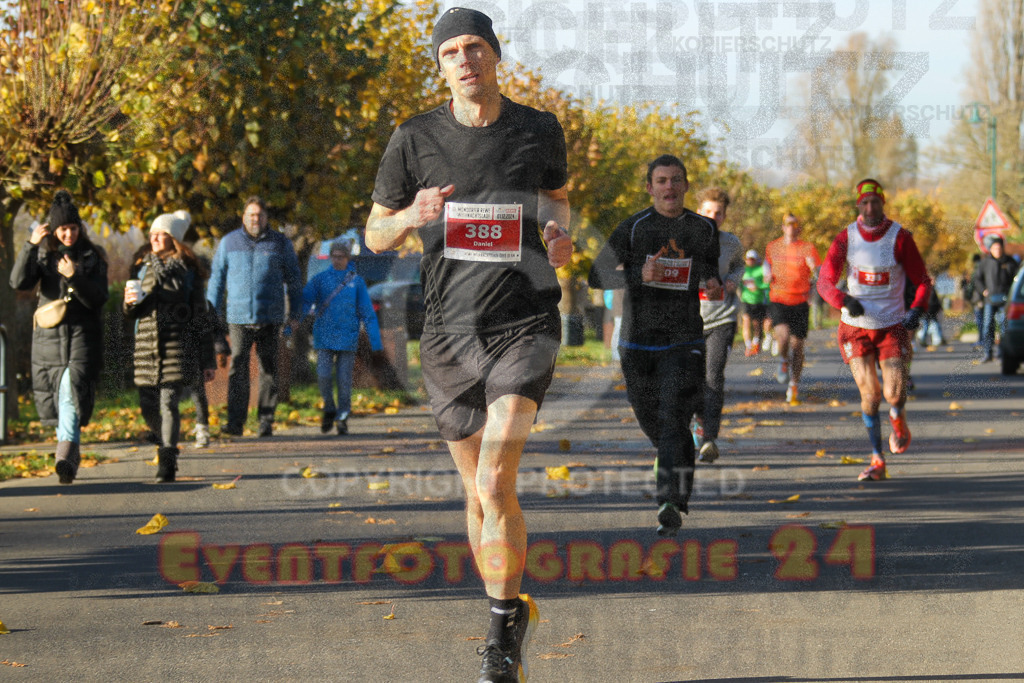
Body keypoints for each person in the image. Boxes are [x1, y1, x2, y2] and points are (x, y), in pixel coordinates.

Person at [364, 8, 573, 682]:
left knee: (494, 478)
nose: (464, 59)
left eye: (474, 46)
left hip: (524, 325)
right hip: (449, 334)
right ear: (440, 65)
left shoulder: (538, 128)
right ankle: (510, 611)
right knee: (477, 494)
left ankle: (498, 637)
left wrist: (558, 235)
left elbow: (556, 196)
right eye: (450, 51)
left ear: (495, 54)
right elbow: (374, 233)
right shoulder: (414, 137)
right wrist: (410, 215)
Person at [589, 154, 720, 535]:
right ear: (650, 188)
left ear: (686, 185)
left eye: (676, 180)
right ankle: (671, 462)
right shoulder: (633, 229)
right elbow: (595, 275)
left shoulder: (704, 229)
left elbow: (709, 270)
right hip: (638, 343)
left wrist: (713, 283)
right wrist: (638, 274)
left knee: (673, 416)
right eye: (661, 181)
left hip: (684, 339)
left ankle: (671, 501)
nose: (669, 187)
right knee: (656, 423)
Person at [817, 179, 932, 481]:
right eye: (865, 203)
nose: (870, 208)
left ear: (883, 204)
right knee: (870, 396)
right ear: (858, 205)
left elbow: (922, 280)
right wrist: (843, 300)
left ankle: (898, 416)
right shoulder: (845, 238)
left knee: (894, 394)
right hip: (855, 328)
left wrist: (917, 309)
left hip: (891, 326)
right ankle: (877, 459)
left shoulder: (900, 237)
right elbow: (824, 282)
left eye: (875, 202)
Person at [10, 191, 108, 484]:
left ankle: (63, 456)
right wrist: (30, 245)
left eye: (73, 228)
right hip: (49, 341)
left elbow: (98, 298)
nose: (68, 234)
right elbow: (18, 282)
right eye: (63, 228)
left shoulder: (92, 256)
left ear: (80, 228)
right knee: (58, 398)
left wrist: (75, 276)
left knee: (69, 393)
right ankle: (70, 455)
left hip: (82, 338)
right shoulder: (43, 256)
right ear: (53, 230)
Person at [124, 211, 216, 482]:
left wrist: (207, 359)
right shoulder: (142, 267)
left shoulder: (188, 272)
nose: (153, 238)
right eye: (152, 234)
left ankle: (167, 460)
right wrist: (129, 303)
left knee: (168, 403)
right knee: (147, 406)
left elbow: (200, 317)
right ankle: (163, 440)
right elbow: (133, 311)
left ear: (173, 239)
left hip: (177, 347)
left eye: (160, 234)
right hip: (146, 348)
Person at [206, 196, 302, 438]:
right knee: (238, 368)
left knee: (269, 369)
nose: (255, 219)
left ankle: (265, 421)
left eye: (259, 215)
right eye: (251, 215)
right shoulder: (228, 243)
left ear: (266, 217)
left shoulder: (280, 243)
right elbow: (216, 281)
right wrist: (211, 314)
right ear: (244, 217)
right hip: (238, 317)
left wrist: (295, 314)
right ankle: (235, 423)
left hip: (270, 317)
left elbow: (294, 279)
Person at [302, 239, 382, 436]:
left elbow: (367, 312)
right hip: (324, 336)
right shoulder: (320, 279)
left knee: (344, 381)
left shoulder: (356, 282)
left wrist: (375, 341)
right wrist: (294, 322)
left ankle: (342, 418)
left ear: (348, 258)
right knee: (323, 376)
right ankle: (330, 408)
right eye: (335, 256)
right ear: (330, 257)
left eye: (341, 257)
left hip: (348, 337)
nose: (337, 260)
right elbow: (304, 301)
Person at [690, 187, 743, 464]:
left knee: (713, 376)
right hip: (690, 318)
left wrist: (733, 279)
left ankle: (709, 437)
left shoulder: (731, 242)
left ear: (724, 216)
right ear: (698, 211)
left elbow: (739, 265)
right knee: (691, 377)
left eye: (718, 213)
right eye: (708, 212)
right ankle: (698, 420)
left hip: (722, 317)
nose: (713, 217)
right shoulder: (684, 239)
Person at [764, 212, 821, 404]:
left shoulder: (808, 248)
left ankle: (793, 385)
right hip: (779, 298)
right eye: (788, 224)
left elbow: (818, 272)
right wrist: (766, 275)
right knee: (783, 336)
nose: (791, 227)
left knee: (797, 346)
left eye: (795, 224)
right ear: (783, 227)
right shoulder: (773, 247)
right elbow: (766, 266)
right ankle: (783, 360)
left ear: (799, 228)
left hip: (800, 300)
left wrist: (813, 268)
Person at [974, 234, 1018, 362]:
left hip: (1005, 300)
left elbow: (1016, 279)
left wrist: (1011, 293)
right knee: (988, 326)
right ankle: (988, 353)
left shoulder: (1010, 262)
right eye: (995, 248)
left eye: (999, 248)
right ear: (990, 249)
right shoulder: (985, 263)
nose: (997, 251)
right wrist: (983, 290)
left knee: (1004, 326)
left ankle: (1002, 353)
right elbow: (977, 279)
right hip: (990, 300)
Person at [740, 249, 771, 356]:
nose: (750, 261)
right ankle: (748, 346)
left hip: (758, 301)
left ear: (756, 260)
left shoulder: (761, 270)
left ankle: (756, 342)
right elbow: (739, 283)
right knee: (746, 320)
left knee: (757, 324)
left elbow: (767, 284)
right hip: (746, 300)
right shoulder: (743, 270)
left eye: (753, 259)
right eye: (749, 259)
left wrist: (758, 286)